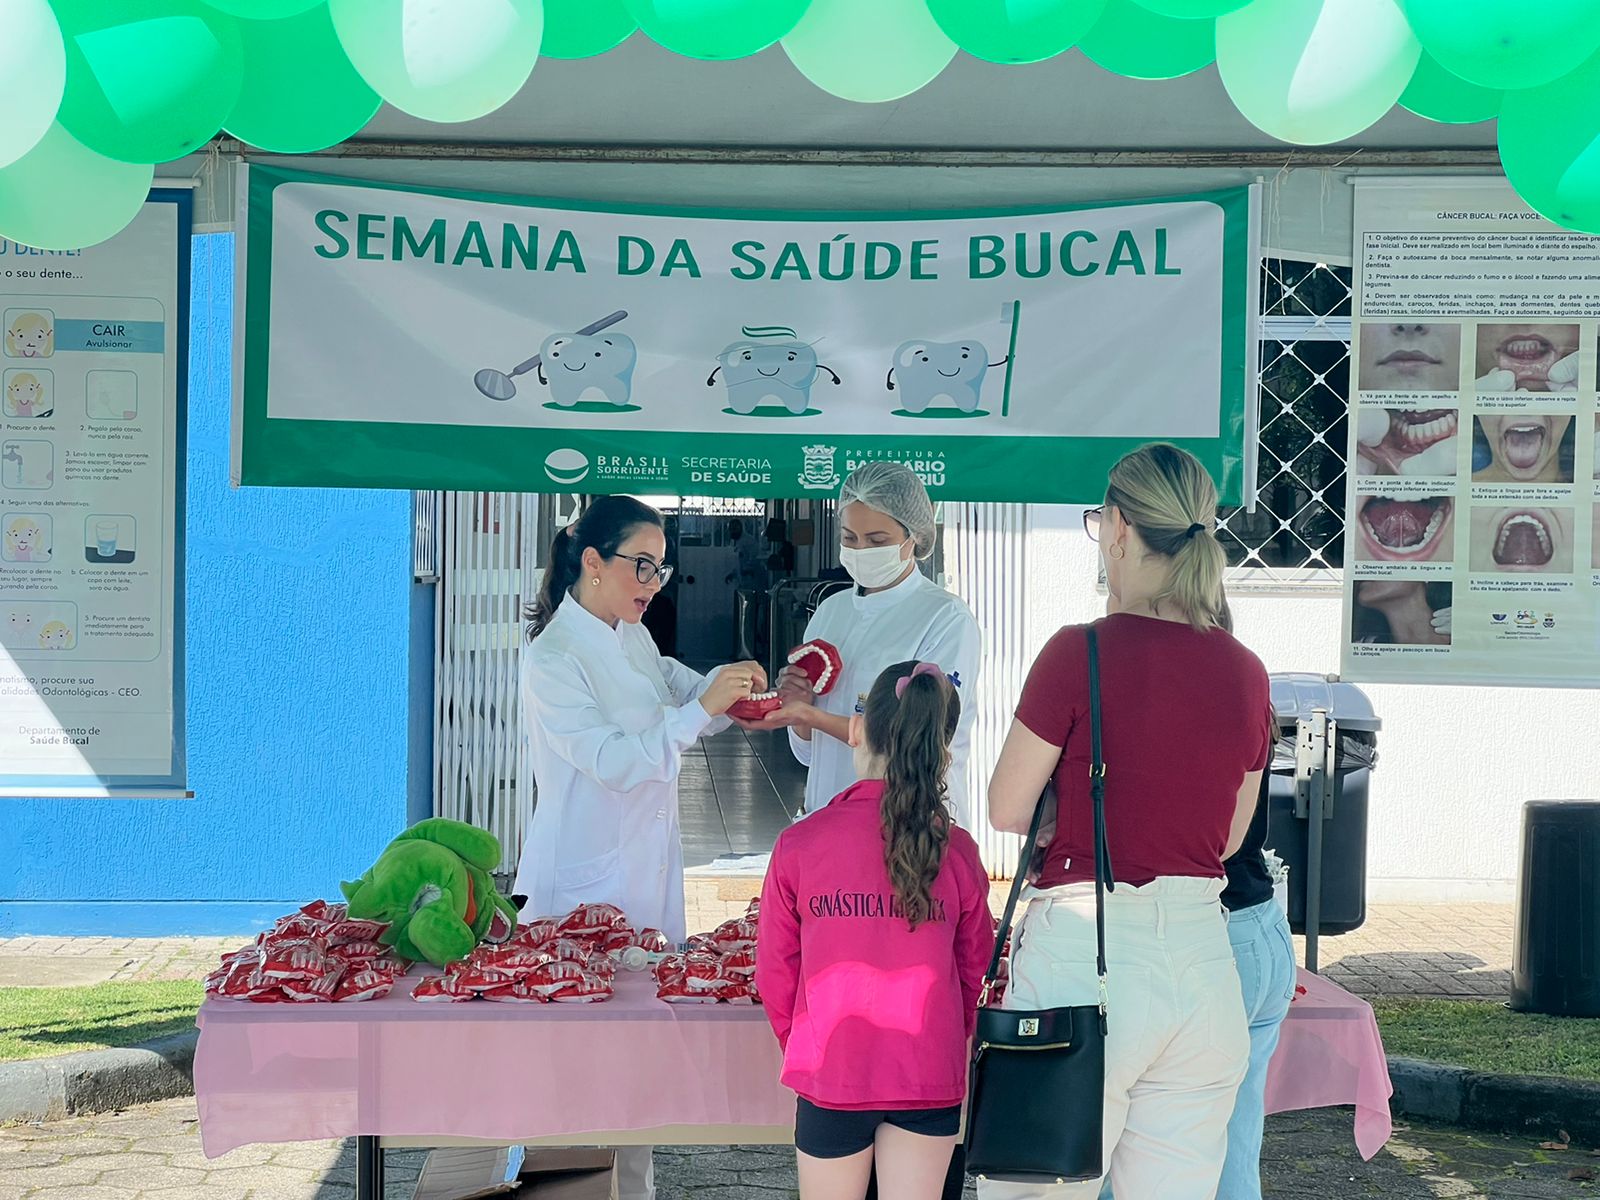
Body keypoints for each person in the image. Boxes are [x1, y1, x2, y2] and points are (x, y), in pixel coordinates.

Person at [983, 443, 1275, 1200]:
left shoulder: (1077, 652)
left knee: (1035, 1189)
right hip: (1202, 966)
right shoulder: (1245, 670)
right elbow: (1231, 838)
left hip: (1084, 950)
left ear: (1116, 527)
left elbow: (1007, 807)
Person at [512, 495, 765, 1200]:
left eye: (662, 567)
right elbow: (618, 759)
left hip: (642, 879)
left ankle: (635, 1190)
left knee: (635, 1073)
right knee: (573, 1075)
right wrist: (700, 710)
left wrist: (734, 693)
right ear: (591, 561)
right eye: (642, 565)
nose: (655, 583)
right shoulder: (554, 658)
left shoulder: (629, 634)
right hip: (578, 888)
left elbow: (677, 694)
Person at [756, 660, 994, 1200]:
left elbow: (775, 971)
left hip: (833, 1069)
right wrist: (943, 1042)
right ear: (942, 747)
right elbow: (973, 969)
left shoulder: (802, 845)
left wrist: (804, 1044)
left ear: (858, 730)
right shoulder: (958, 851)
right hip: (927, 1071)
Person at [743, 462, 981, 829]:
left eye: (877, 541)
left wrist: (812, 716)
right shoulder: (830, 612)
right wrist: (799, 709)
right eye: (849, 538)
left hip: (910, 827)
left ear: (914, 537)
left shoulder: (945, 618)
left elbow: (918, 736)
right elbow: (809, 754)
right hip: (829, 819)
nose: (860, 550)